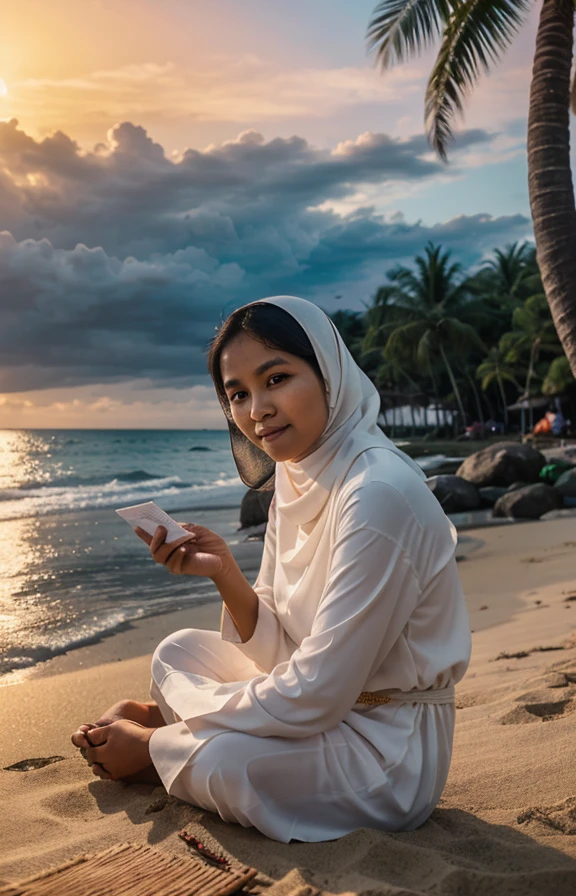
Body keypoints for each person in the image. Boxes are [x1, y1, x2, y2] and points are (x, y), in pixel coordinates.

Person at [72, 296, 471, 843]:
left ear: (328, 374)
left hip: (386, 748)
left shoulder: (377, 493)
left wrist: (150, 750)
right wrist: (225, 575)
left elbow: (315, 694)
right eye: (237, 394)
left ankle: (161, 742)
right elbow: (286, 649)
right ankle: (179, 728)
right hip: (320, 710)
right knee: (176, 652)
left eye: (276, 377)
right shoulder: (298, 473)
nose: (256, 409)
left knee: (231, 765)